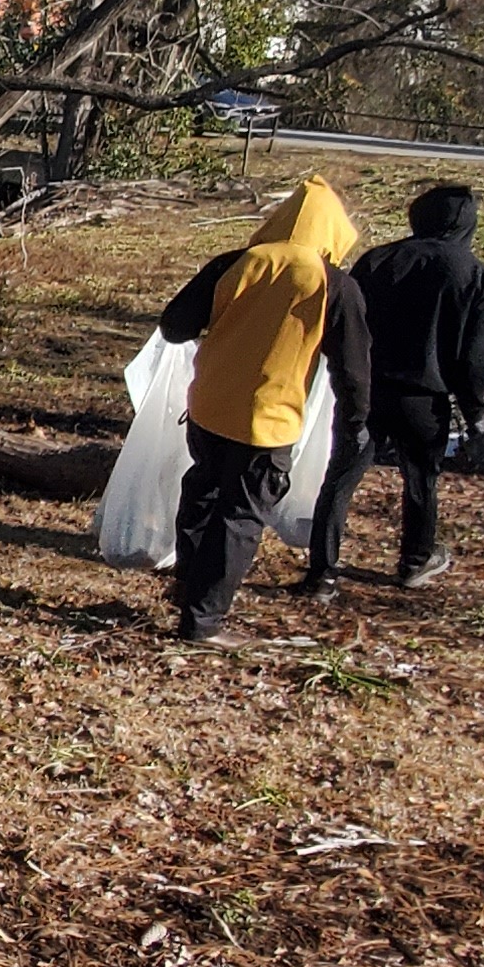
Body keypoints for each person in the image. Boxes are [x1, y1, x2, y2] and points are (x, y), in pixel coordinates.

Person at [153, 178, 371, 642]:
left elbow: (174, 327)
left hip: (208, 405)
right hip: (269, 421)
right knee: (240, 517)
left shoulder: (236, 264)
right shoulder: (334, 286)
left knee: (203, 492)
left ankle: (188, 586)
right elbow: (352, 370)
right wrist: (355, 425)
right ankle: (204, 624)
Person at [308, 182, 484, 590]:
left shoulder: (379, 260)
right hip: (425, 398)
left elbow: (345, 324)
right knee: (421, 480)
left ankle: (322, 573)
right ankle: (415, 559)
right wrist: (475, 412)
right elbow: (475, 358)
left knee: (341, 478)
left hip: (366, 389)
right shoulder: (475, 276)